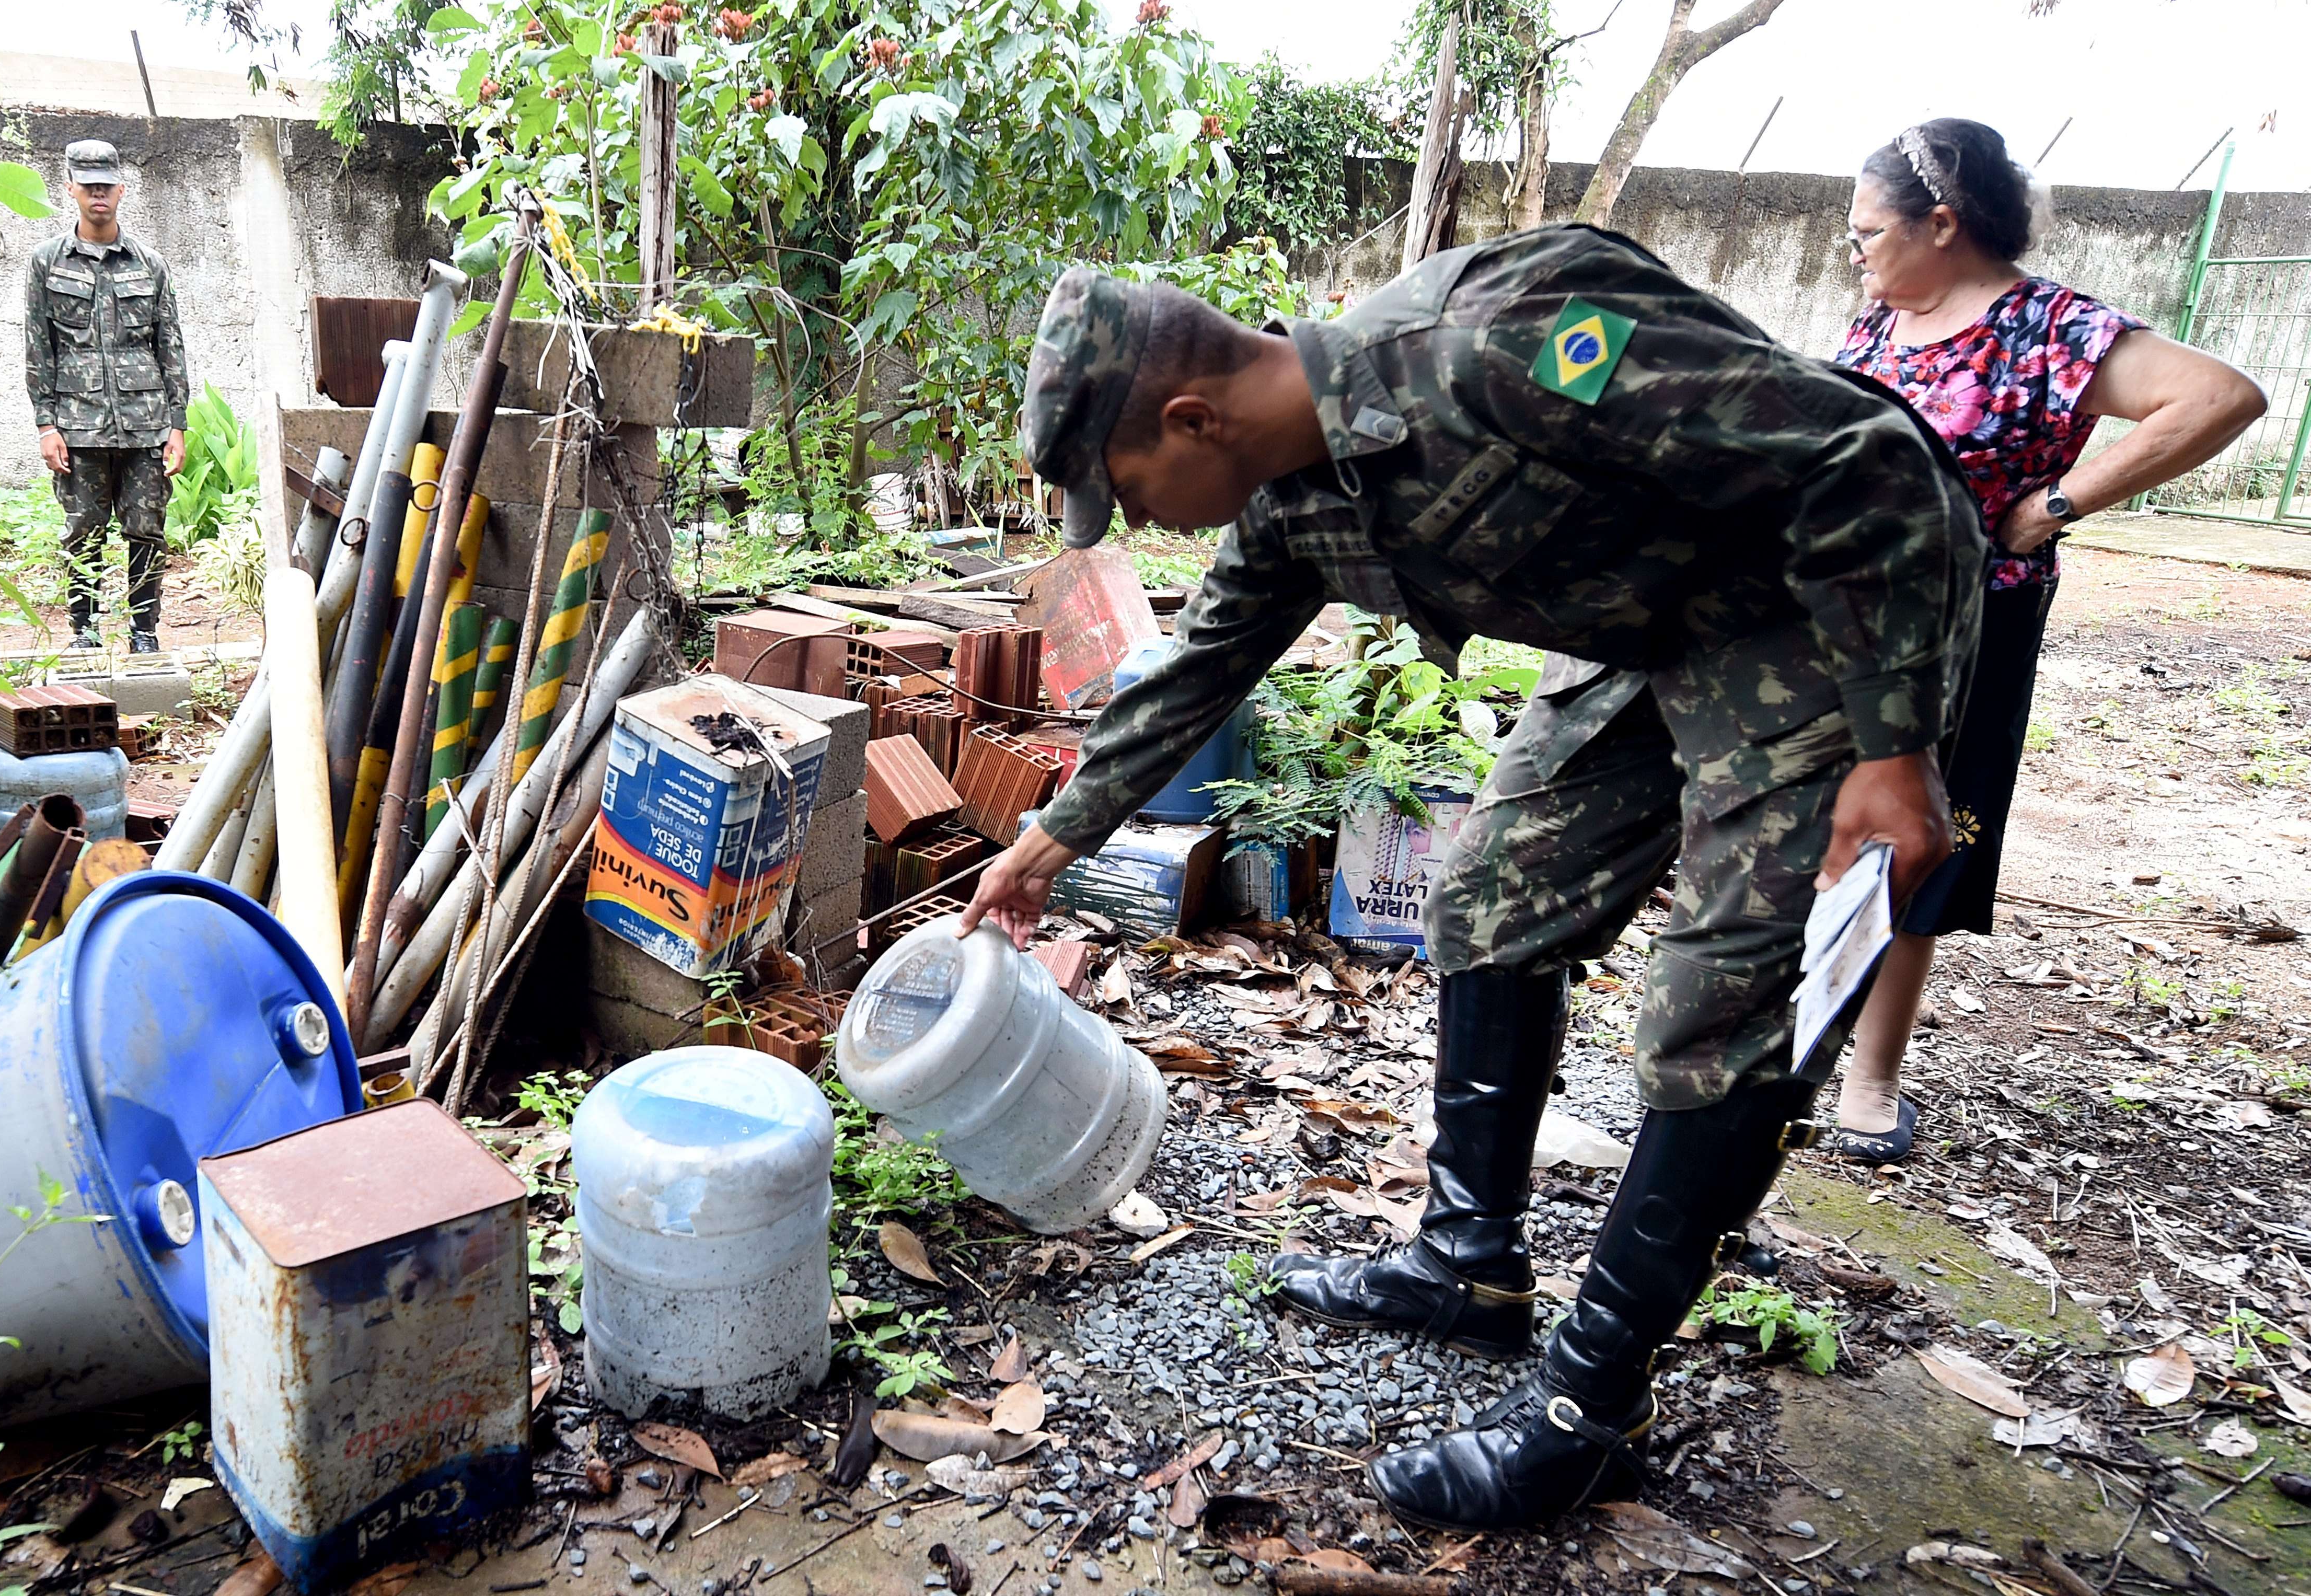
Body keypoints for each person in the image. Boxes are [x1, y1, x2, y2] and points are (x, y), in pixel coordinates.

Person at [957, 227, 1985, 1532]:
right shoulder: (1292, 503)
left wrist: (1896, 749)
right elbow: (1202, 668)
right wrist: (1049, 843)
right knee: (1491, 889)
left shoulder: (1494, 346)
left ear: (1193, 415)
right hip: (1655, 624)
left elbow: (1864, 460)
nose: (1142, 523)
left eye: (1134, 487)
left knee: (1722, 1010)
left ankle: (1588, 1412)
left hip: (1816, 606)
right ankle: (1470, 1258)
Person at [1825, 120, 2266, 1164]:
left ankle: (1870, 1076)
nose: (1855, 250)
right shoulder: (1877, 323)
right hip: (1845, 618)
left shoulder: (2048, 326)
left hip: (1971, 625)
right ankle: (1785, 1042)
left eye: (1869, 230)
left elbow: (2221, 397)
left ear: (1943, 223)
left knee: (1921, 837)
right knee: (1818, 828)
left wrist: (2058, 502)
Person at [24, 138, 188, 654]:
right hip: (78, 427)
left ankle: (144, 634)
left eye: (106, 184)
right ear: (70, 188)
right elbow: (38, 347)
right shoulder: (47, 263)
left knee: (146, 532)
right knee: (83, 534)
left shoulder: (150, 264)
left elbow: (171, 345)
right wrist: (46, 425)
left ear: (121, 189)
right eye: (86, 183)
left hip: (146, 427)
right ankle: (86, 634)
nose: (97, 192)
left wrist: (178, 425)